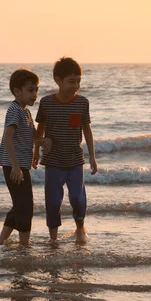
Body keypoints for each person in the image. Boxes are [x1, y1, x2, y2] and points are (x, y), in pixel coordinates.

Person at [33, 57, 98, 245]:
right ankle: (53, 240)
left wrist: (92, 156)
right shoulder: (46, 103)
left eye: (78, 81)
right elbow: (40, 130)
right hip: (53, 162)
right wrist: (36, 152)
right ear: (58, 80)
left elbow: (86, 129)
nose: (76, 85)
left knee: (78, 198)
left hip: (75, 161)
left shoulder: (82, 103)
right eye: (71, 81)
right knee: (53, 202)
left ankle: (80, 229)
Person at [0, 68, 50, 247]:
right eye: (30, 90)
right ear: (17, 91)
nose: (34, 94)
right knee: (25, 206)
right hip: (14, 166)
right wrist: (16, 166)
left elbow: (35, 137)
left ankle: (2, 240)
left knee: (20, 204)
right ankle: (24, 246)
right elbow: (8, 137)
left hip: (20, 165)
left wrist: (45, 142)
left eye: (36, 90)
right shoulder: (15, 110)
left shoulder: (25, 112)